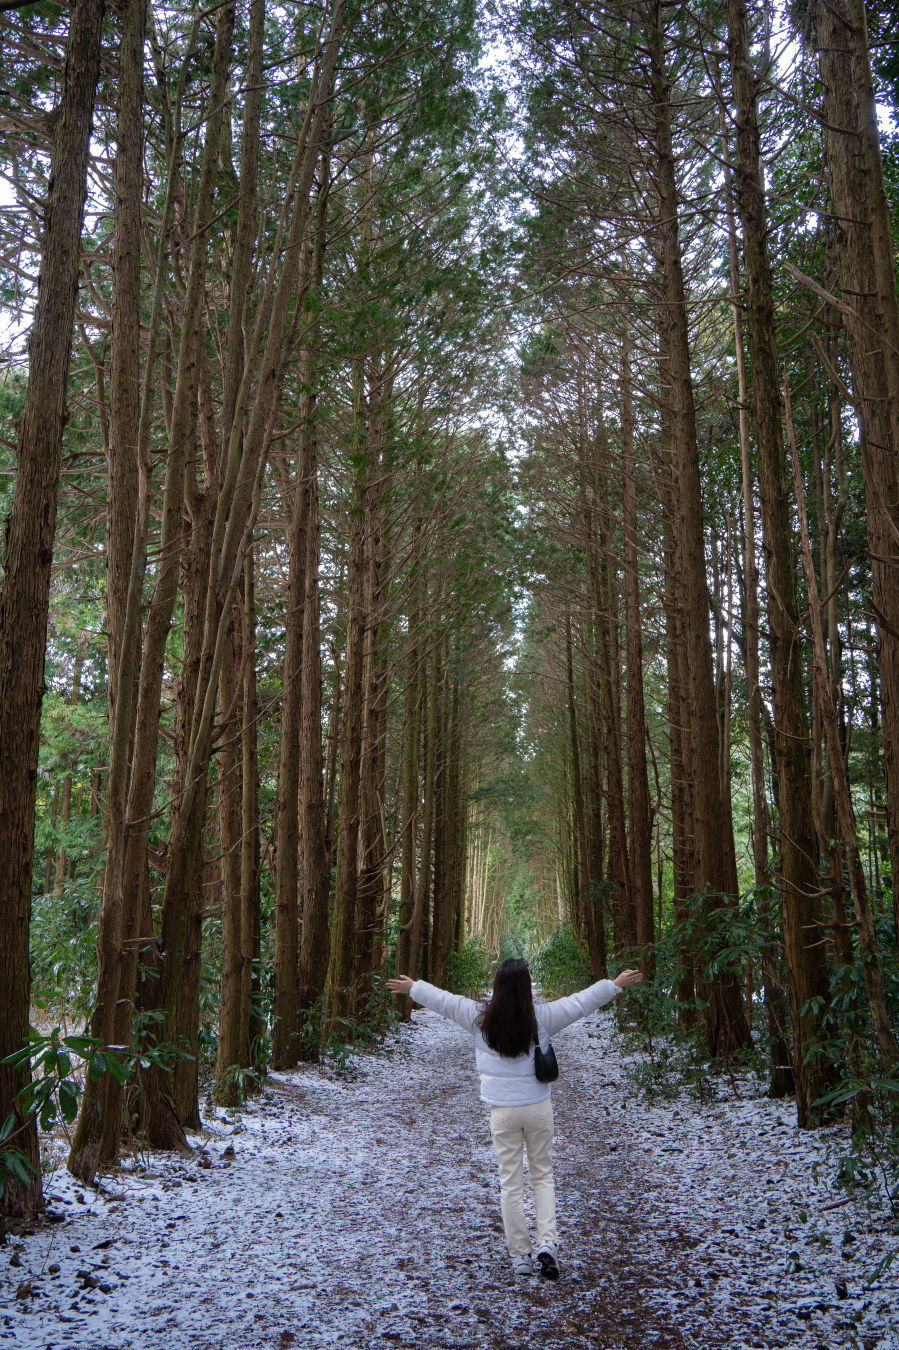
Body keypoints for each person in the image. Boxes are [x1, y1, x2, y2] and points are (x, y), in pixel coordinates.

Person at [387, 958, 643, 1280]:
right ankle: (547, 1243)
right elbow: (580, 1003)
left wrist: (415, 988)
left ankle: (520, 1257)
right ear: (526, 988)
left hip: (502, 1112)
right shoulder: (543, 1017)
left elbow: (446, 1003)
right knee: (543, 1177)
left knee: (511, 1183)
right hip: (538, 1107)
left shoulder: (478, 1018)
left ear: (497, 986)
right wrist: (614, 985)